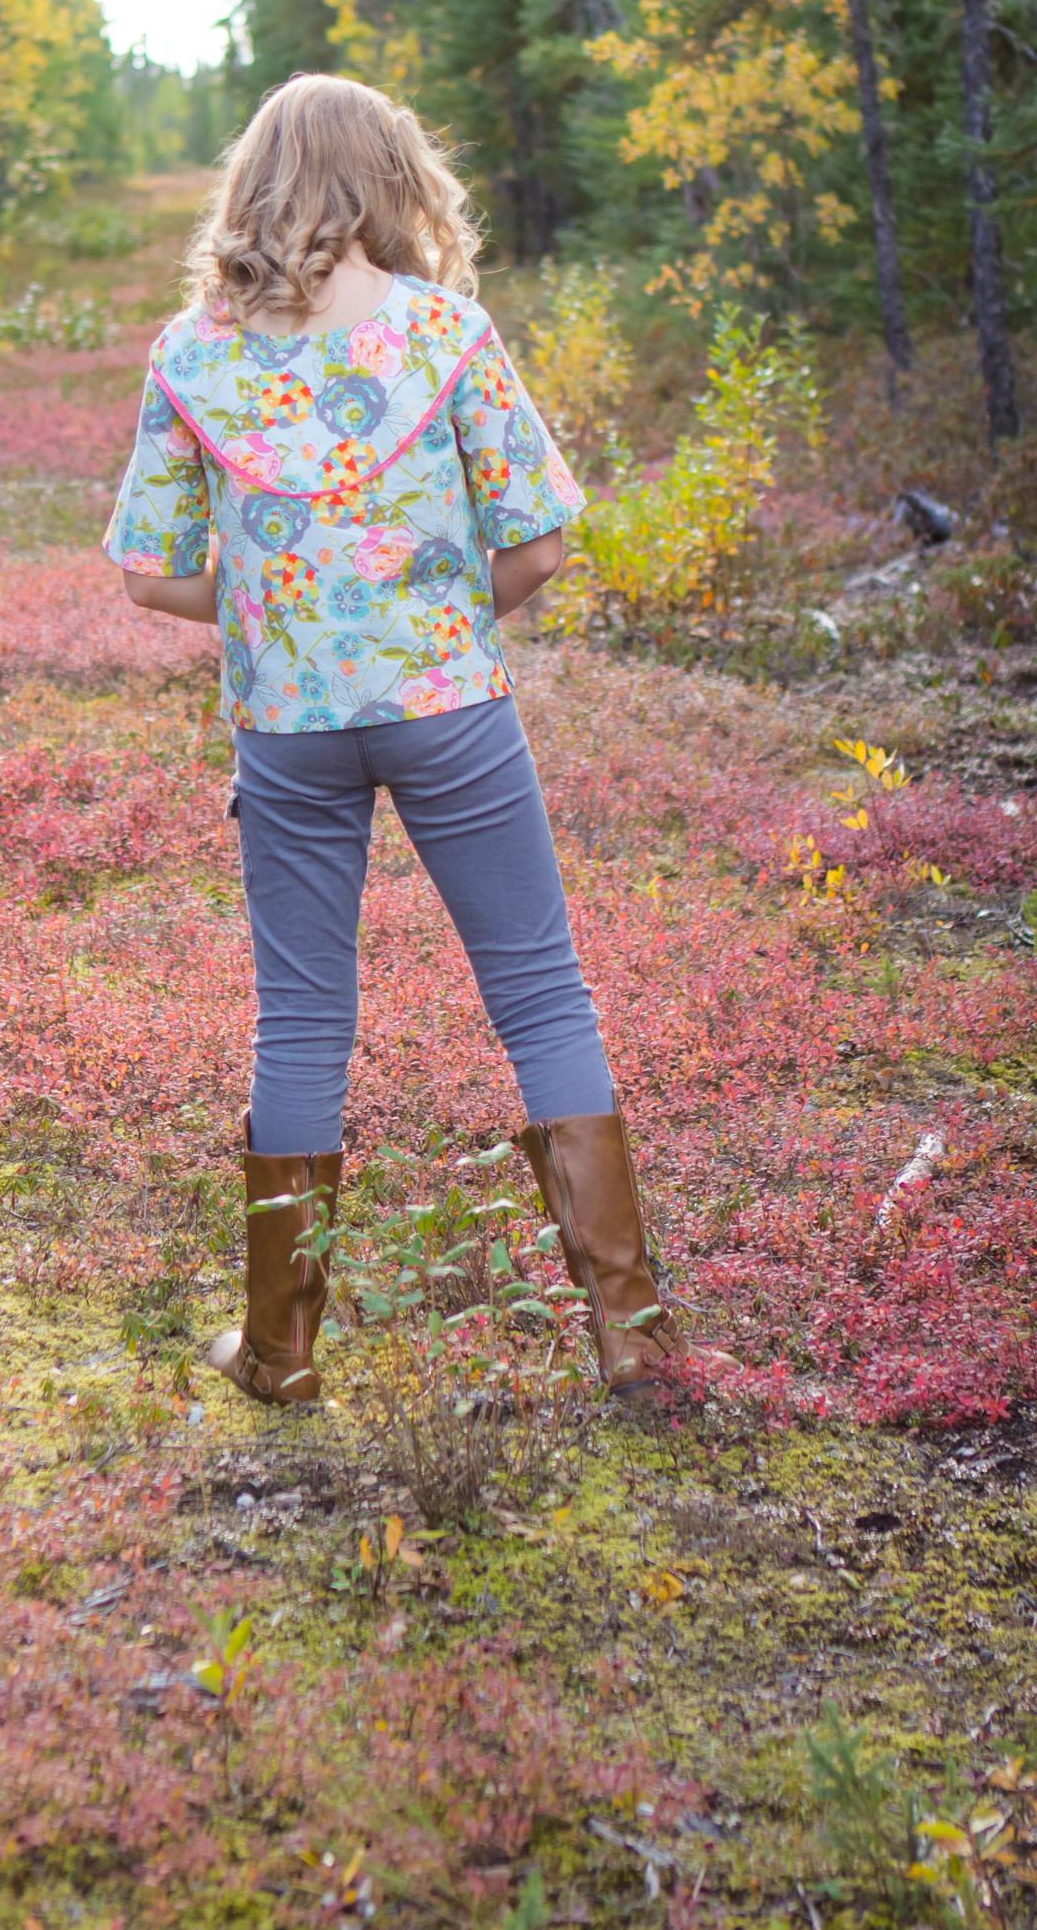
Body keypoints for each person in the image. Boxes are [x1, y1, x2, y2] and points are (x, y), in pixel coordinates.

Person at [104, 73, 700, 1411]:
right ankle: (631, 1338)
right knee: (541, 996)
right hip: (449, 712)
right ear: (389, 178)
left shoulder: (193, 354)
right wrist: (423, 621)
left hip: (287, 728)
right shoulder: (443, 332)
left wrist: (283, 615)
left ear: (252, 185)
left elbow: (151, 575)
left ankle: (278, 1351)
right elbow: (539, 541)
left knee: (302, 1023)